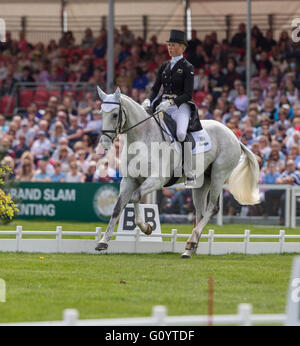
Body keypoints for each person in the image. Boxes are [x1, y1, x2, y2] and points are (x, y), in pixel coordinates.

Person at [141, 29, 199, 185]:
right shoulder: (164, 66)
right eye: (169, 45)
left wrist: (171, 102)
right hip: (162, 106)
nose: (170, 48)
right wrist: (148, 100)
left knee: (180, 134)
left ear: (182, 48)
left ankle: (189, 171)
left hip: (181, 106)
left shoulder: (188, 67)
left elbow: (188, 94)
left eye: (173, 45)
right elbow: (155, 88)